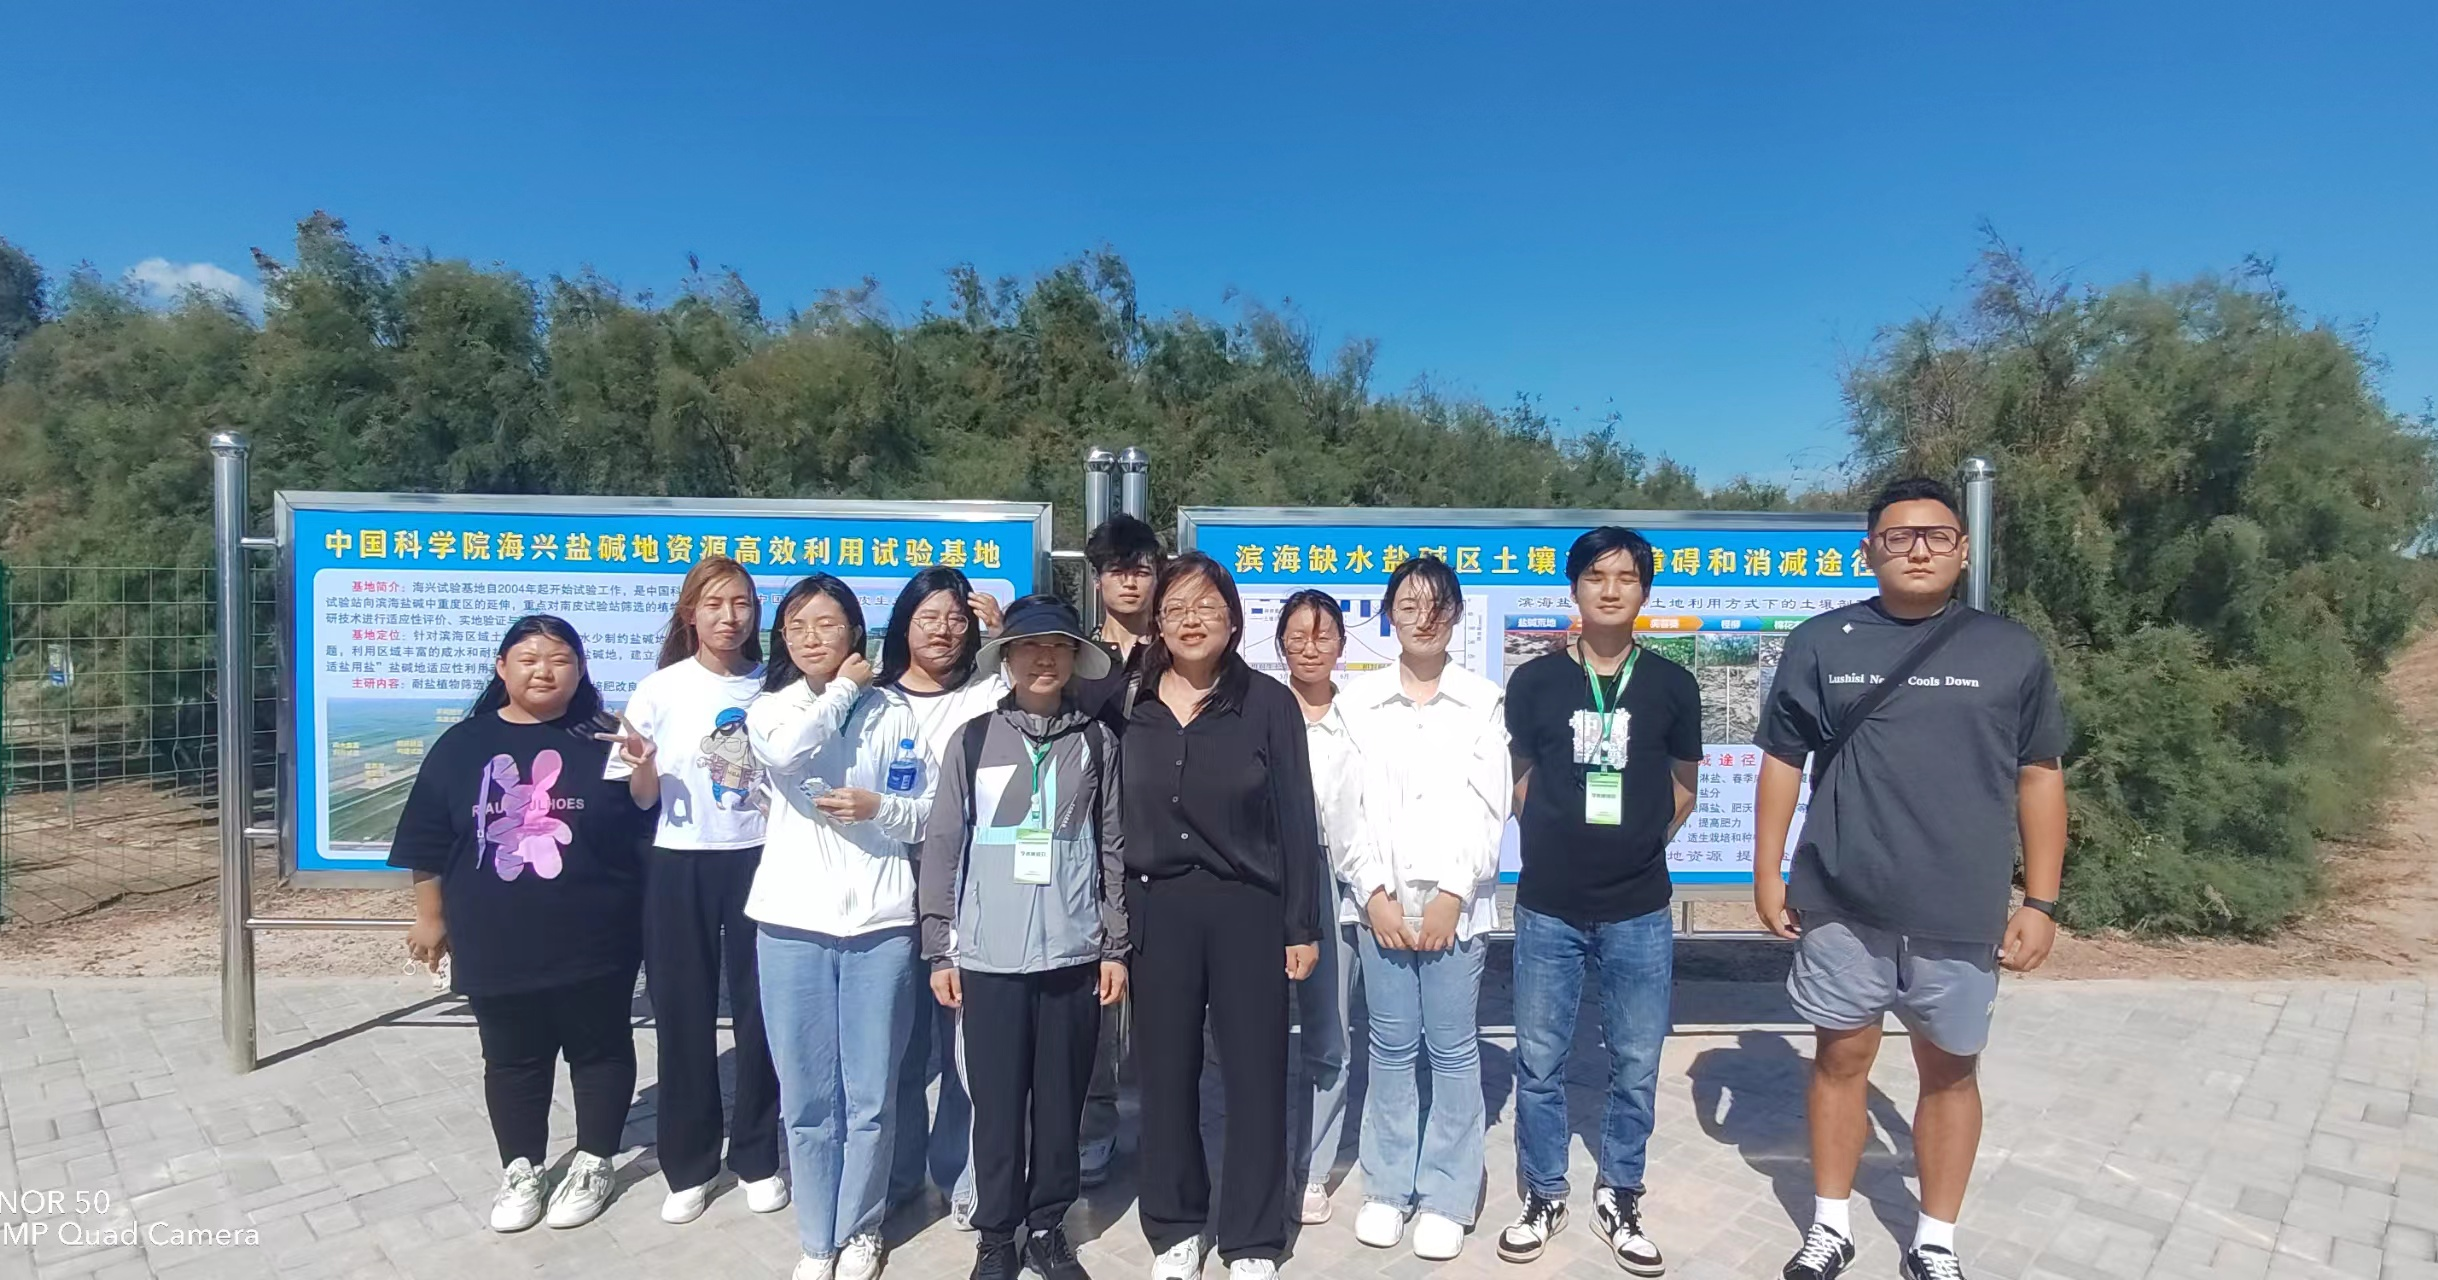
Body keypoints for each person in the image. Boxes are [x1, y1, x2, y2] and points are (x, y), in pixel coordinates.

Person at [1754, 478, 2069, 1280]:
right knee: (1839, 1061)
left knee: (1950, 1071)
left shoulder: (2009, 650)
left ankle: (1935, 1238)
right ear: (1869, 551)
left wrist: (2040, 900)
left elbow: (2040, 774)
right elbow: (1783, 760)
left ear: (1963, 551)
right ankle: (1830, 1226)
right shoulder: (1822, 642)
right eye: (1899, 536)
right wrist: (1767, 870)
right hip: (1842, 899)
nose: (1918, 549)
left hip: (1960, 906)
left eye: (1936, 536)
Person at [391, 616, 650, 1234]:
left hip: (598, 933)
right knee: (511, 1057)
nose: (544, 671)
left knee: (600, 1047)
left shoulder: (607, 738)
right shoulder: (462, 744)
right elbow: (428, 840)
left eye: (559, 659)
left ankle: (594, 1161)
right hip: (495, 935)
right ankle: (522, 1168)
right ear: (502, 668)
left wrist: (643, 763)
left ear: (581, 670)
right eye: (528, 659)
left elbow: (647, 819)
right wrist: (431, 917)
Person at [1495, 527, 1702, 1274]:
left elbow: (1684, 790)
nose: (1610, 589)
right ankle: (1544, 1193)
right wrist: (1559, 837)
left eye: (1625, 577)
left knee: (1637, 1063)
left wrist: (1636, 842)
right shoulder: (1536, 682)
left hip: (1640, 906)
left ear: (1645, 590)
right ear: (1574, 588)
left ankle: (1619, 1192)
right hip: (1547, 903)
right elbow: (1520, 779)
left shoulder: (1673, 684)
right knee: (1540, 1060)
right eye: (1595, 576)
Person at [918, 595, 1130, 1280]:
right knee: (998, 1106)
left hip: (1074, 953)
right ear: (1006, 658)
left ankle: (1047, 1227)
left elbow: (1112, 846)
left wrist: (1114, 945)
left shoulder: (1096, 742)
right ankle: (996, 1234)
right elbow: (944, 844)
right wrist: (940, 946)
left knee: (1062, 1104)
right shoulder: (973, 739)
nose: (1045, 658)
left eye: (1059, 647)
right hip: (989, 958)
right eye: (1030, 647)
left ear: (1074, 659)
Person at [1125, 552, 1324, 1280]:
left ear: (1234, 621)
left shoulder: (1267, 704)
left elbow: (1295, 818)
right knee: (1165, 1072)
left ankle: (1252, 1238)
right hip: (1157, 907)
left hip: (1248, 908)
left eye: (1207, 606)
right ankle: (1176, 1226)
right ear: (1156, 623)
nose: (1191, 620)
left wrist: (1300, 925)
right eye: (1175, 607)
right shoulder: (1129, 700)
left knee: (1256, 1072)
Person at [744, 574, 937, 1280]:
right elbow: (787, 754)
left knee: (871, 1094)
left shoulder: (895, 714)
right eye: (796, 626)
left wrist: (878, 807)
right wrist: (843, 692)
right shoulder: (771, 708)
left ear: (855, 632)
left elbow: (929, 811)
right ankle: (815, 1237)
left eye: (826, 623)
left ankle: (860, 1227)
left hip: (881, 924)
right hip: (789, 923)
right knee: (805, 1095)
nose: (811, 637)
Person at [603, 556, 786, 1224]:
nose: (729, 617)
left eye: (741, 604)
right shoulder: (659, 690)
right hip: (678, 863)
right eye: (714, 604)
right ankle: (689, 1165)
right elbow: (639, 799)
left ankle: (758, 1157)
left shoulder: (775, 686)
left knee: (761, 1014)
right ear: (690, 613)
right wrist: (644, 767)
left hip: (762, 860)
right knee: (682, 1015)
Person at [1337, 557, 1508, 1262]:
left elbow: (1489, 807)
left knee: (1453, 1048)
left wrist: (1452, 894)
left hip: (1453, 913)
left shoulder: (1482, 701)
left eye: (1437, 606)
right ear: (1389, 616)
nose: (1422, 618)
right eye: (1407, 605)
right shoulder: (1359, 702)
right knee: (1389, 1046)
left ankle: (1445, 1192)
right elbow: (1344, 808)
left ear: (1457, 615)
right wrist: (1373, 892)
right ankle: (1386, 1186)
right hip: (1378, 907)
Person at [878, 567, 1009, 1228]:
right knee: (898, 1049)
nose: (943, 630)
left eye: (957, 618)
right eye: (928, 616)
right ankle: (899, 1175)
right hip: (885, 889)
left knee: (962, 1046)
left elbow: (1028, 684)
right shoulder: (872, 700)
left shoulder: (985, 695)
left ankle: (958, 1171)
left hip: (966, 886)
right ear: (904, 623)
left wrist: (1003, 631)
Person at [1069, 513, 1166, 1188]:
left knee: (1165, 1001)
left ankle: (1164, 1129)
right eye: (1116, 570)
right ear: (1098, 580)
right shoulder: (1076, 657)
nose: (1130, 581)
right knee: (1096, 1000)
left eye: (1141, 569)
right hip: (1091, 850)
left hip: (1164, 847)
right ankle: (1095, 1124)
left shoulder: (1179, 650)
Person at [1275, 591, 1365, 1228]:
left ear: (1341, 644)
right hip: (1265, 879)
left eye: (1323, 635)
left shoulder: (1359, 719)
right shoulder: (1258, 708)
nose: (1310, 648)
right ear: (1280, 642)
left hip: (1337, 877)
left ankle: (1312, 1166)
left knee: (1329, 1030)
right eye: (1298, 637)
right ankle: (1262, 1156)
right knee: (1254, 1031)